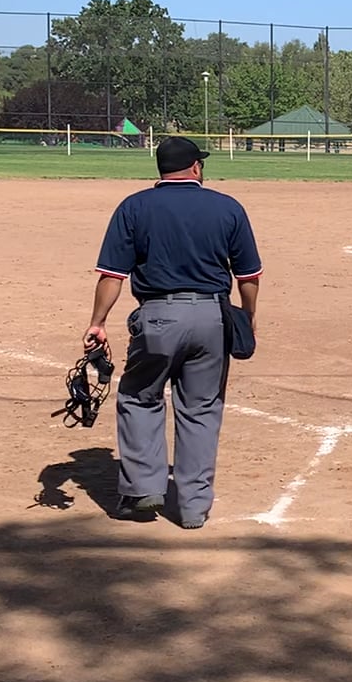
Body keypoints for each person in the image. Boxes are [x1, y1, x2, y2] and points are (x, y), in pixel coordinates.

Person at [85, 136, 263, 528]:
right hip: (213, 318)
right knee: (201, 409)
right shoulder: (227, 207)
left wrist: (98, 322)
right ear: (196, 167)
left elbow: (112, 276)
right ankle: (193, 508)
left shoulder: (134, 207)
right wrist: (248, 316)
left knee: (139, 397)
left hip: (158, 317)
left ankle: (143, 490)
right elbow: (248, 276)